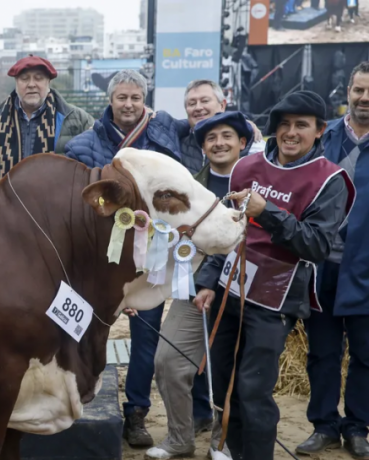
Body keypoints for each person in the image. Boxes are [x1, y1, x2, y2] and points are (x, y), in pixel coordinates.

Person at [193, 90, 355, 460]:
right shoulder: (246, 168)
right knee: (223, 385)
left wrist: (268, 212)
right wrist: (208, 282)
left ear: (320, 130)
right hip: (229, 288)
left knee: (252, 390)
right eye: (284, 124)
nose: (291, 132)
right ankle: (235, 451)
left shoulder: (330, 180)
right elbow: (229, 230)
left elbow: (316, 246)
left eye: (302, 125)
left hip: (275, 301)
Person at [65, 69, 208, 449]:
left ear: (145, 100)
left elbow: (211, 124)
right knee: (79, 329)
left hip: (151, 260)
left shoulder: (167, 135)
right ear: (109, 100)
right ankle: (75, 401)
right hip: (96, 260)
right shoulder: (83, 145)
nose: (128, 105)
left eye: (135, 98)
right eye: (121, 98)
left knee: (146, 337)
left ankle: (137, 414)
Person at [146, 111, 255, 459]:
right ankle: (180, 437)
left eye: (227, 136)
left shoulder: (258, 183)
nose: (219, 143)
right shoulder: (190, 186)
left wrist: (210, 278)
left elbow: (244, 238)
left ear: (243, 142)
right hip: (191, 290)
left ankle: (222, 443)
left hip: (245, 292)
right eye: (211, 138)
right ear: (203, 147)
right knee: (167, 361)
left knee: (230, 369)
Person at [296, 61, 369, 459]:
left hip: (366, 267)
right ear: (348, 93)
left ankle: (358, 427)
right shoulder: (322, 138)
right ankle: (323, 425)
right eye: (359, 91)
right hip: (321, 263)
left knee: (365, 353)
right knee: (322, 351)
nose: (365, 99)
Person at [0, 54, 94, 184]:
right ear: (16, 83)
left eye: (38, 79)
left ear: (48, 83)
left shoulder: (76, 119)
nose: (31, 85)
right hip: (4, 202)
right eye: (24, 79)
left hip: (57, 202)